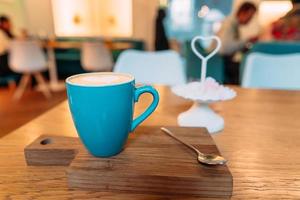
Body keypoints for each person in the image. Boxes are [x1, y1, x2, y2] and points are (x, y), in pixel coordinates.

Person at [215, 2, 258, 84]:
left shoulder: (233, 24)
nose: (250, 20)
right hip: (218, 62)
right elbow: (224, 48)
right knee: (244, 69)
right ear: (242, 12)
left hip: (220, 61)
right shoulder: (230, 23)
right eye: (250, 16)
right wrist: (246, 41)